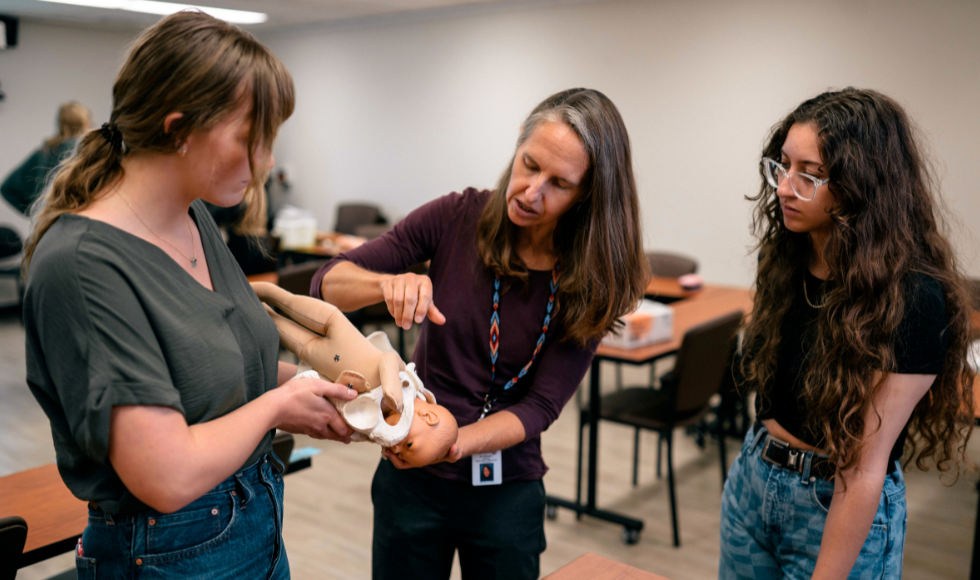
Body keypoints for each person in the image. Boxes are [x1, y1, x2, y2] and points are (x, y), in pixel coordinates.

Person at [22, 11, 357, 578]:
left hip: (253, 515)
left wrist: (312, 389)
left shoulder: (193, 216)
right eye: (255, 138)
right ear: (179, 129)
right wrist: (279, 407)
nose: (268, 161)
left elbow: (220, 371)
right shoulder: (83, 265)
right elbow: (166, 475)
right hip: (168, 549)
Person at [315, 88, 649, 580]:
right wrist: (384, 283)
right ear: (518, 144)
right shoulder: (456, 217)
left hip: (505, 492)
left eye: (559, 183)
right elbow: (327, 282)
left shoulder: (592, 278)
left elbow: (540, 407)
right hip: (412, 482)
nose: (532, 192)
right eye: (530, 164)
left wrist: (453, 442)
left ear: (587, 194)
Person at [719, 88, 974, 580]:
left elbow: (861, 470)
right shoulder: (784, 256)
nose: (785, 188)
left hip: (835, 506)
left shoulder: (913, 299)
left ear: (863, 185)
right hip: (754, 484)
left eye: (810, 176)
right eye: (782, 166)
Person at [252, 280, 458, 464]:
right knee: (288, 301)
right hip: (335, 325)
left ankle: (248, 303)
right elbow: (389, 359)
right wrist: (390, 385)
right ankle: (259, 289)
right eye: (409, 445)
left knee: (274, 325)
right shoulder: (405, 387)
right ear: (429, 416)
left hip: (315, 356)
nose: (397, 448)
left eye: (401, 456)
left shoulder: (374, 419)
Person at [2, 101, 91, 214]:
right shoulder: (82, 150)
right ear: (82, 122)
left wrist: (34, 211)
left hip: (44, 222)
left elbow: (8, 188)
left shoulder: (44, 151)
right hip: (70, 219)